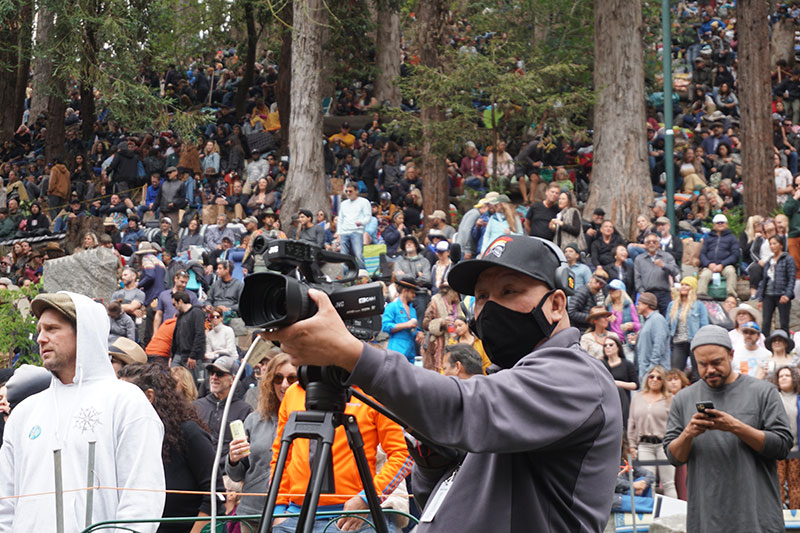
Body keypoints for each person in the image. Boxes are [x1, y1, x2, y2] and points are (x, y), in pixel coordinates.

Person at [262, 234, 622, 532]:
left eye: (509, 291)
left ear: (557, 304)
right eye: (481, 296)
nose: (489, 307)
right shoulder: (503, 383)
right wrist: (434, 460)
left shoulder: (578, 377)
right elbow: (438, 497)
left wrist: (353, 355)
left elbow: (467, 407)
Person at [0, 292, 165, 531]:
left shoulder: (126, 402)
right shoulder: (25, 412)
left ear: (85, 333)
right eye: (39, 330)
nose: (40, 338)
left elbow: (142, 501)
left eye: (52, 329)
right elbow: (5, 502)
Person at [663, 325, 792, 533]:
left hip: (757, 518)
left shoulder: (763, 391)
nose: (710, 370)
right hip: (706, 519)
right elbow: (674, 457)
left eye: (716, 362)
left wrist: (736, 427)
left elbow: (782, 446)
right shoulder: (683, 399)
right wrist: (689, 433)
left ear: (731, 354)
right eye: (702, 364)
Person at [270, 372, 412, 533]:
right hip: (295, 516)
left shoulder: (370, 393)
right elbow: (281, 455)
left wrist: (366, 498)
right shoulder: (294, 392)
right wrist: (279, 508)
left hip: (356, 519)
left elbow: (403, 453)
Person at [118, 363, 217, 533]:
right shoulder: (127, 438)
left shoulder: (189, 432)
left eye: (124, 397)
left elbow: (215, 495)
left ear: (149, 396)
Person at [226, 354, 296, 527]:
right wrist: (233, 460)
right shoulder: (254, 419)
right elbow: (237, 475)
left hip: (293, 514)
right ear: (270, 382)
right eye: (278, 378)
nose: (285, 384)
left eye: (292, 378)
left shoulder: (310, 420)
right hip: (253, 514)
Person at [193, 355, 252, 466]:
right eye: (211, 372)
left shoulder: (244, 410)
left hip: (228, 473)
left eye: (219, 373)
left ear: (233, 379)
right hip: (200, 472)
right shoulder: (196, 406)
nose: (214, 377)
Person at [628, 365, 677, 499]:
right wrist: (632, 445)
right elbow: (631, 422)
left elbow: (675, 423)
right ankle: (650, 516)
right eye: (651, 376)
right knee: (648, 483)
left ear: (663, 381)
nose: (654, 379)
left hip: (664, 445)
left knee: (669, 483)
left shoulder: (670, 399)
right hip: (644, 445)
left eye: (659, 378)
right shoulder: (637, 398)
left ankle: (673, 518)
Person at [667, 277, 709, 380]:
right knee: (675, 373)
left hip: (695, 343)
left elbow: (704, 325)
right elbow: (667, 325)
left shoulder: (699, 305)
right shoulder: (672, 305)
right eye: (682, 284)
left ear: (692, 288)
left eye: (687, 285)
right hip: (678, 342)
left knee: (697, 374)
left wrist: (702, 342)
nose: (683, 287)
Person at [771, 365, 800, 509]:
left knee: (795, 483)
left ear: (794, 379)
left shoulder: (798, 399)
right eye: (780, 376)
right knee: (778, 482)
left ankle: (796, 514)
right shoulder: (773, 398)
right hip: (778, 449)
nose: (783, 378)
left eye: (787, 375)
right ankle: (779, 514)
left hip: (796, 450)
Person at [756, 235, 795, 337]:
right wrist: (760, 297)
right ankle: (765, 344)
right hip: (768, 294)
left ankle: (785, 346)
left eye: (774, 243)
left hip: (782, 294)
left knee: (784, 323)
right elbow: (764, 280)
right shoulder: (769, 261)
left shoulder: (788, 259)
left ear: (781, 245)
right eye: (770, 244)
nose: (772, 246)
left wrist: (787, 294)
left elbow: (791, 278)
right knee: (766, 323)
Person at [634, 233, 681, 316]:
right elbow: (637, 278)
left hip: (664, 293)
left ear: (659, 244)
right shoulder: (639, 259)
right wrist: (642, 292)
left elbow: (676, 272)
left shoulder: (667, 256)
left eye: (654, 242)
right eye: (648, 242)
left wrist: (664, 265)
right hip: (648, 293)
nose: (651, 244)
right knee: (650, 321)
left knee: (667, 319)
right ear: (645, 245)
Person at [697, 214, 741, 298]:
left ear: (727, 224)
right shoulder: (708, 238)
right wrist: (709, 264)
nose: (720, 224)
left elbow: (735, 255)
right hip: (710, 266)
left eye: (722, 222)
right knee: (704, 276)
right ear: (714, 225)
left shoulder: (732, 238)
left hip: (726, 265)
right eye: (718, 223)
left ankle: (731, 296)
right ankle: (701, 297)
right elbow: (702, 254)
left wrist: (722, 264)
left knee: (731, 272)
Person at [382, 276, 423, 363]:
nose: (414, 295)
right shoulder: (392, 306)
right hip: (397, 347)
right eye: (412, 292)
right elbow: (385, 326)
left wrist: (419, 332)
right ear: (404, 291)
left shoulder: (412, 309)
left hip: (411, 349)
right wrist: (407, 324)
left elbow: (414, 327)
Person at [602, 334, 637, 427]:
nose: (607, 347)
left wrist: (618, 383)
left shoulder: (627, 364)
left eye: (611, 345)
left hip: (623, 402)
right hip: (606, 402)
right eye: (605, 345)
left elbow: (636, 385)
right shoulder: (601, 364)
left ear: (618, 347)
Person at [171, 291, 207, 383]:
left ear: (180, 301)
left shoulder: (196, 313)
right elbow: (176, 335)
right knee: (172, 381)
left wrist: (193, 355)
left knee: (191, 383)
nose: (174, 307)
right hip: (178, 354)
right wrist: (172, 355)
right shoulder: (181, 315)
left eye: (174, 304)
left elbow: (200, 335)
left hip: (190, 356)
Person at [634, 292, 671, 380]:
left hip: (656, 374)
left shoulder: (657, 319)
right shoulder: (647, 321)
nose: (637, 306)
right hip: (646, 372)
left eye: (639, 304)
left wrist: (651, 368)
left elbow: (659, 345)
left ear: (646, 304)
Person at [338, 182, 371, 267]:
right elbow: (340, 219)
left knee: (358, 255)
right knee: (343, 256)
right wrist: (339, 233)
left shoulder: (364, 202)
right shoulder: (343, 204)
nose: (348, 193)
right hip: (344, 232)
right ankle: (346, 276)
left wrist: (361, 222)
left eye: (350, 191)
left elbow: (368, 217)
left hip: (357, 231)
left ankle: (363, 275)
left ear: (356, 191)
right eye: (346, 191)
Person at [605, 279, 640, 345]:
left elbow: (639, 325)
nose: (611, 291)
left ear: (621, 291)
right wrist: (607, 320)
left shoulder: (630, 306)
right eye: (610, 289)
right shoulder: (607, 306)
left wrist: (631, 325)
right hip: (611, 342)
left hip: (626, 342)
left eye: (614, 289)